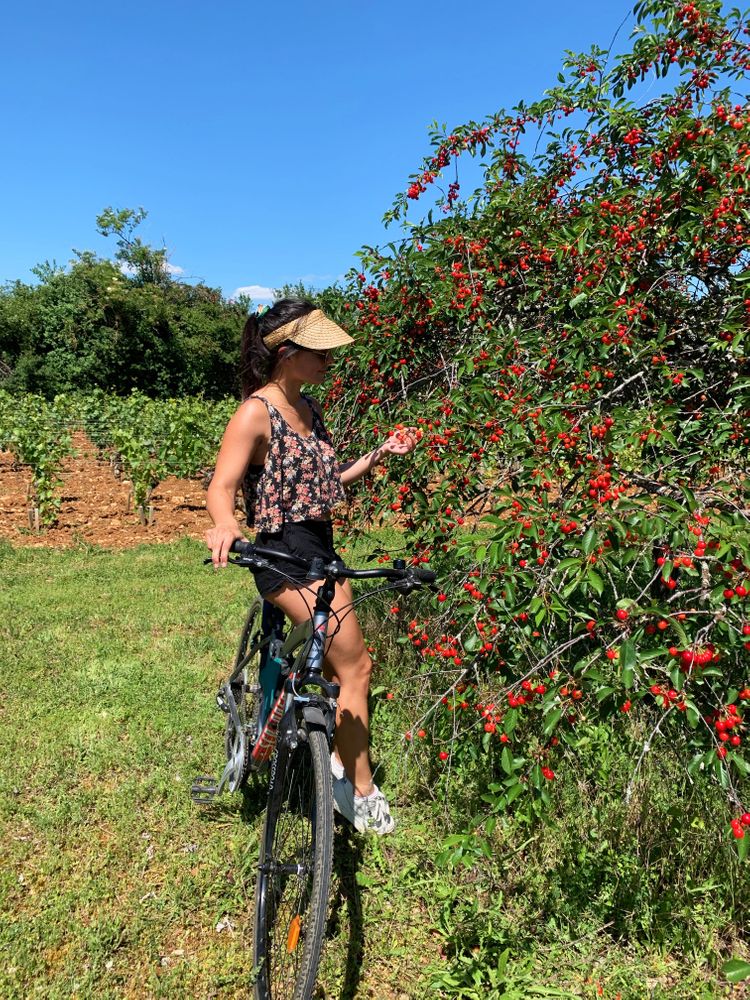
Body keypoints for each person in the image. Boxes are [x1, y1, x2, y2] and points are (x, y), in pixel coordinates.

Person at [206, 298, 417, 835]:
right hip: (281, 551)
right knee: (356, 667)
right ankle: (357, 787)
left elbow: (325, 483)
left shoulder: (311, 411)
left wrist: (377, 456)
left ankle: (333, 750)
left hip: (321, 544)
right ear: (288, 352)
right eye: (319, 352)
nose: (328, 361)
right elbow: (222, 486)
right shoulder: (258, 411)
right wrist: (227, 523)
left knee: (333, 663)